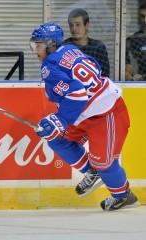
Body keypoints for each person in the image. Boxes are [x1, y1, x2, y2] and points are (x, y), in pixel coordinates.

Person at [30, 22, 140, 211]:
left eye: (38, 45)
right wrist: (60, 119)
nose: (35, 51)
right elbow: (95, 68)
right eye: (34, 45)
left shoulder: (49, 66)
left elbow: (77, 94)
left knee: (104, 164)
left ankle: (123, 196)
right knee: (55, 138)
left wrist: (61, 119)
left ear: (51, 45)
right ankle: (92, 171)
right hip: (84, 112)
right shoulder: (70, 49)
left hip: (106, 113)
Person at [63, 8, 110, 78]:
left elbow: (104, 76)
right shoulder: (64, 47)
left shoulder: (98, 47)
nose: (74, 29)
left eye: (77, 24)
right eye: (71, 25)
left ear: (87, 25)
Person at [125, 1, 146, 81]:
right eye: (142, 16)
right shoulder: (132, 40)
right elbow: (127, 71)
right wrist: (132, 78)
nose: (145, 20)